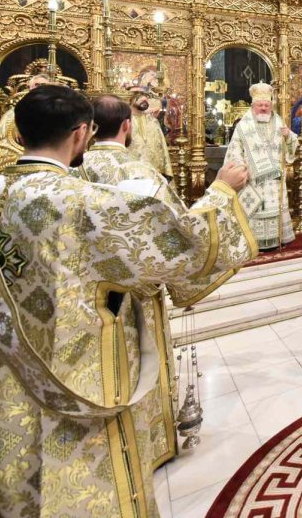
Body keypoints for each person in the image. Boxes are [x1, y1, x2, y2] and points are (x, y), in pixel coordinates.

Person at [0, 85, 257, 517]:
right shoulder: (80, 204)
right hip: (68, 372)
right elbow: (186, 245)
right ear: (81, 135)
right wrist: (222, 192)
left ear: (18, 134)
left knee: (3, 469)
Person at [74, 95, 184, 469]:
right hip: (135, 292)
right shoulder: (141, 173)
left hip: (81, 292)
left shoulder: (71, 171)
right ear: (127, 126)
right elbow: (176, 235)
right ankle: (147, 441)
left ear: (89, 127)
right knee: (142, 359)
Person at [223, 82, 299, 249]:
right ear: (253, 106)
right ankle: (255, 243)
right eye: (260, 105)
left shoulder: (278, 121)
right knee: (257, 210)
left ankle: (277, 240)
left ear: (271, 105)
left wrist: (289, 137)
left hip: (275, 180)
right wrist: (242, 169)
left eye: (266, 105)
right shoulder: (244, 125)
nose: (263, 108)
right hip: (254, 179)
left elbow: (292, 140)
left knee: (274, 210)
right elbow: (234, 149)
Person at [128, 90, 174, 178]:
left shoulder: (152, 121)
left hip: (154, 171)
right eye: (141, 100)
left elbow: (162, 146)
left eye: (146, 101)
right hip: (133, 170)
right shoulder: (127, 121)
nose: (145, 102)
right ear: (131, 100)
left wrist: (166, 170)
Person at [0, 72, 52, 140]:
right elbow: (2, 142)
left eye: (44, 85)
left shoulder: (57, 112)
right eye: (37, 85)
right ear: (29, 89)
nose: (40, 88)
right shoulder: (12, 115)